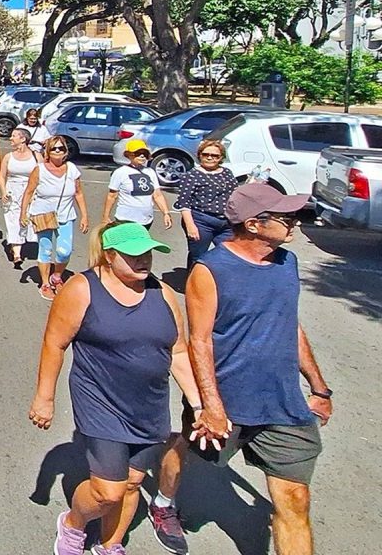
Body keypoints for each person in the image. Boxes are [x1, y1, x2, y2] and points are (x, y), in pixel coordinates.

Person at [149, 183, 331, 555]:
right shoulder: (211, 270)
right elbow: (199, 341)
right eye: (285, 217)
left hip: (282, 402)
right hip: (227, 398)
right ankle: (163, 504)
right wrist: (210, 406)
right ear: (253, 224)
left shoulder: (287, 262)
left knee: (295, 500)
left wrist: (319, 387)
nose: (295, 223)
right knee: (187, 446)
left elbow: (289, 324)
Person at [29, 222, 200, 555]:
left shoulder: (161, 292)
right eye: (133, 254)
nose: (144, 261)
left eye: (147, 253)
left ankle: (110, 544)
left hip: (149, 404)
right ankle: (74, 524)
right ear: (108, 255)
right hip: (100, 402)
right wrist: (44, 397)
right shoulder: (82, 288)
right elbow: (54, 342)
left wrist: (199, 403)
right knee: (108, 491)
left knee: (134, 482)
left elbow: (178, 351)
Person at [21, 136, 90, 300]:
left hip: (66, 215)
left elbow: (78, 193)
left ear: (66, 152)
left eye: (61, 148)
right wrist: (23, 213)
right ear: (48, 152)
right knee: (45, 249)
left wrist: (84, 216)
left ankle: (57, 276)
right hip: (43, 215)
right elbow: (29, 192)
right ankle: (45, 283)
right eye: (54, 149)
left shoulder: (72, 169)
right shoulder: (40, 169)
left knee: (64, 251)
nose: (58, 151)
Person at [176, 139, 238, 270]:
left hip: (226, 222)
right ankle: (194, 285)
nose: (210, 158)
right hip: (201, 221)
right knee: (198, 256)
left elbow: (235, 194)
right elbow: (183, 203)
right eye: (206, 154)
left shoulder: (226, 173)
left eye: (215, 155)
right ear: (199, 155)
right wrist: (190, 226)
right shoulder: (191, 175)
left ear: (221, 157)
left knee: (229, 253)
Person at [104, 139, 173, 230]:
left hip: (146, 220)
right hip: (125, 219)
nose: (142, 156)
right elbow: (112, 196)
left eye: (145, 153)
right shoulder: (120, 172)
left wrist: (166, 213)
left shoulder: (150, 172)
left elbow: (157, 195)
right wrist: (105, 216)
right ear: (129, 155)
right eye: (138, 153)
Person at [0, 127, 41, 266]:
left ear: (23, 139)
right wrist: (4, 192)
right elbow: (2, 176)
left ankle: (19, 243)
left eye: (14, 136)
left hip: (30, 192)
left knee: (26, 219)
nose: (11, 138)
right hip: (12, 192)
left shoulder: (36, 156)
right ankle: (17, 253)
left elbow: (42, 176)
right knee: (13, 220)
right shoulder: (8, 157)